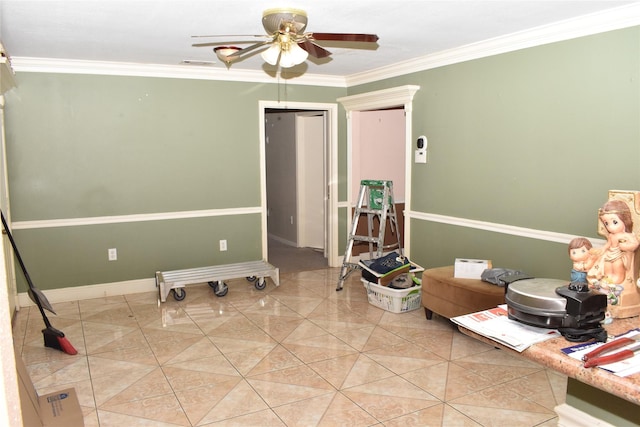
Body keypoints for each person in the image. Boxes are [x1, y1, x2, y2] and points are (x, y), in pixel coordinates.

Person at [588, 199, 639, 292]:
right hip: (609, 254)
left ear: (625, 220)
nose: (610, 227)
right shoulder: (611, 235)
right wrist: (602, 250)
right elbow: (608, 244)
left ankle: (616, 280)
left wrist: (626, 247)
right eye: (606, 223)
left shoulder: (627, 235)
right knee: (607, 266)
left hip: (619, 256)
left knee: (617, 266)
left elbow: (635, 244)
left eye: (614, 222)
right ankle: (607, 279)